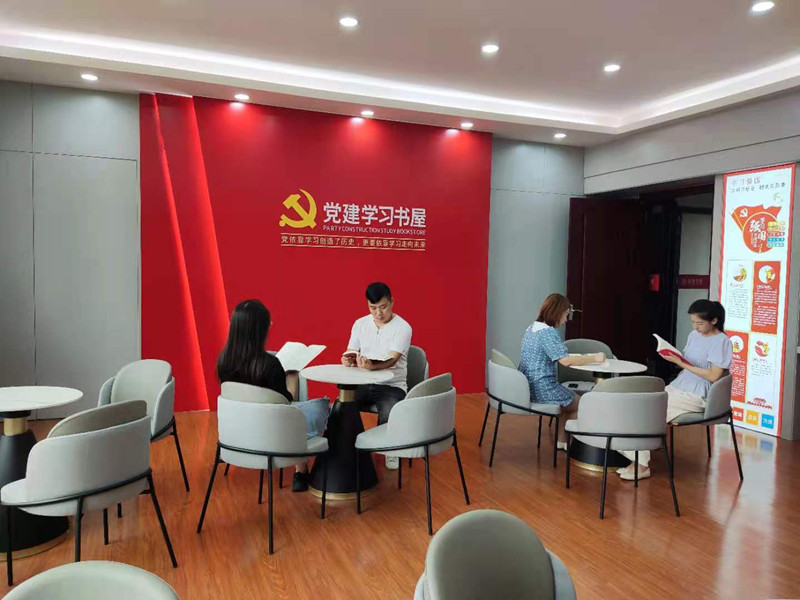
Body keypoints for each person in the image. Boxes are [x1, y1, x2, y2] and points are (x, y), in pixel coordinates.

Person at [217, 299, 329, 492]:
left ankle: (301, 468)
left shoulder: (223, 360)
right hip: (271, 435)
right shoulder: (269, 365)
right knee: (322, 406)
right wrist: (292, 376)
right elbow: (286, 402)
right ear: (259, 330)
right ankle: (301, 470)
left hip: (237, 436)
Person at [618, 299, 732, 481]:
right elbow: (688, 360)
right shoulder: (694, 335)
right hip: (680, 385)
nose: (695, 327)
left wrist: (680, 363)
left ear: (714, 321)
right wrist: (674, 356)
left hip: (699, 394)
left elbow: (714, 376)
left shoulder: (722, 342)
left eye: (699, 323)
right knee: (638, 404)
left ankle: (641, 464)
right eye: (692, 322)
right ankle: (639, 454)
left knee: (651, 411)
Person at [518, 293, 607, 448]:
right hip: (543, 389)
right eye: (566, 315)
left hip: (529, 386)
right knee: (581, 404)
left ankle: (562, 442)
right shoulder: (547, 332)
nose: (566, 320)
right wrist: (595, 357)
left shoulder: (532, 328)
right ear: (557, 313)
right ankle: (573, 446)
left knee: (567, 403)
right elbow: (565, 360)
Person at [342, 282, 412, 470]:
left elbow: (392, 360)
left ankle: (390, 450)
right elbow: (351, 350)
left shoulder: (403, 327)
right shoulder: (360, 324)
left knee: (389, 410)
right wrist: (348, 359)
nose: (378, 313)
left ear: (392, 302)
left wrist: (373, 367)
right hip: (364, 382)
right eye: (373, 308)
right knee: (342, 406)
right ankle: (351, 447)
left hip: (392, 385)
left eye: (383, 307)